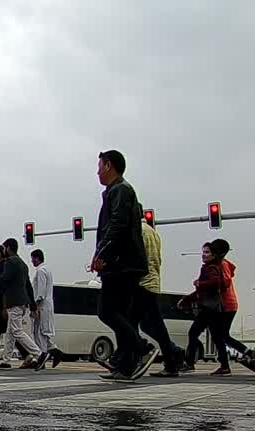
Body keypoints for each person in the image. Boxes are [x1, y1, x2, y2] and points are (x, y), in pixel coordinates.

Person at [93, 149, 149, 382]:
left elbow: (117, 225)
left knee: (106, 311)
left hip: (121, 263)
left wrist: (102, 254)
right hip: (124, 262)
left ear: (108, 165)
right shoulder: (117, 191)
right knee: (122, 315)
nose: (97, 172)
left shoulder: (121, 190)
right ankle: (126, 366)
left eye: (99, 167)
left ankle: (141, 348)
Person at [180, 239, 251, 376]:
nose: (204, 254)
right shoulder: (219, 265)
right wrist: (190, 297)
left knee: (216, 335)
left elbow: (220, 283)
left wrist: (199, 283)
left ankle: (244, 354)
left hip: (220, 306)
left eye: (209, 251)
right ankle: (227, 364)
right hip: (218, 306)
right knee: (218, 336)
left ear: (217, 253)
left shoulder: (218, 265)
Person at [132, 219, 186, 378]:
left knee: (131, 322)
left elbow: (136, 257)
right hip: (152, 282)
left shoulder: (137, 231)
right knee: (151, 325)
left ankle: (137, 356)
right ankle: (173, 355)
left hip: (142, 283)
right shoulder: (152, 231)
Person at [0, 237, 43, 369]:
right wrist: (32, 305)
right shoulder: (23, 264)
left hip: (14, 301)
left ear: (8, 248)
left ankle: (39, 353)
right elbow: (28, 286)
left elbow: (4, 279)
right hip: (21, 302)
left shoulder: (10, 261)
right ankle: (6, 360)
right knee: (10, 332)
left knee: (16, 331)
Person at [30, 249, 60, 368]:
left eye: (32, 259)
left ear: (37, 258)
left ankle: (42, 357)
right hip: (47, 305)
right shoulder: (47, 270)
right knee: (42, 332)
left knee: (39, 332)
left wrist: (36, 306)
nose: (32, 261)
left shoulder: (41, 271)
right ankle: (55, 351)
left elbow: (41, 291)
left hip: (42, 305)